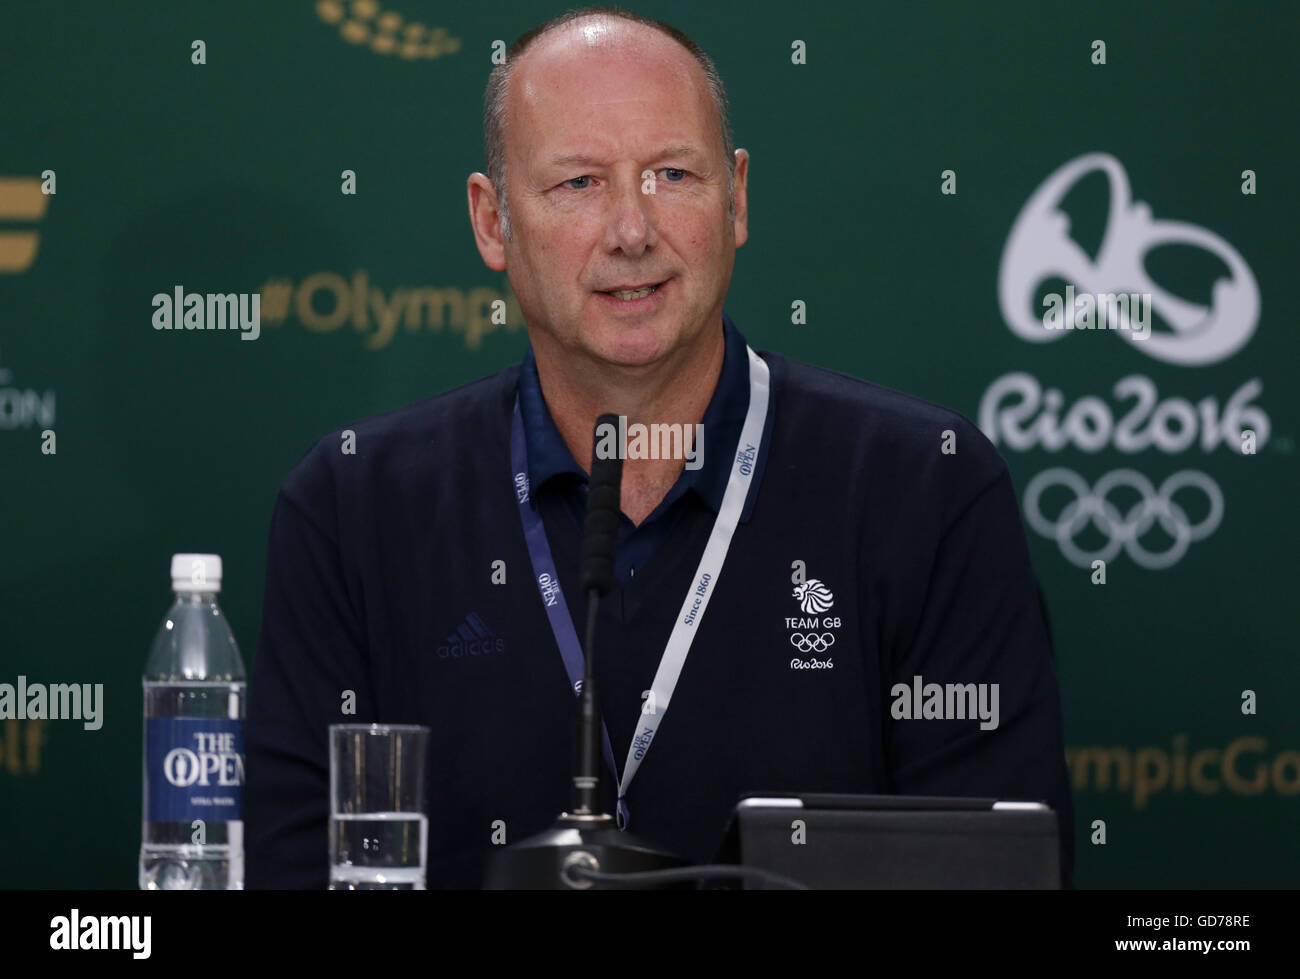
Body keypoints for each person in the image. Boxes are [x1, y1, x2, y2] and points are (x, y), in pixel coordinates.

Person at [246, 6, 1074, 889]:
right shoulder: (352, 505)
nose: (632, 229)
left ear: (737, 198)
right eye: (579, 183)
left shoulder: (927, 487)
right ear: (493, 222)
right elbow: (293, 871)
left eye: (672, 174)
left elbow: (999, 872)